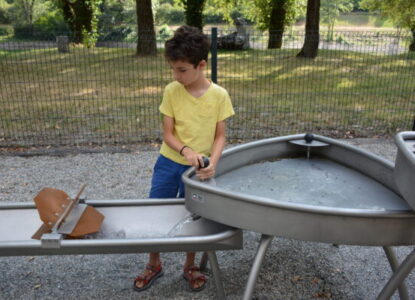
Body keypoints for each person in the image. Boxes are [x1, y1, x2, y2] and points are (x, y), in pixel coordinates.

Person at [133, 25, 235, 292]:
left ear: (201, 65)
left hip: (196, 172)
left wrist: (211, 162)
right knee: (157, 211)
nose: (176, 75)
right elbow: (168, 135)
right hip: (169, 162)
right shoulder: (172, 91)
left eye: (182, 70)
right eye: (173, 69)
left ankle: (190, 265)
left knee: (195, 215)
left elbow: (220, 136)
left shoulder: (219, 96)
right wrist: (186, 151)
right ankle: (154, 263)